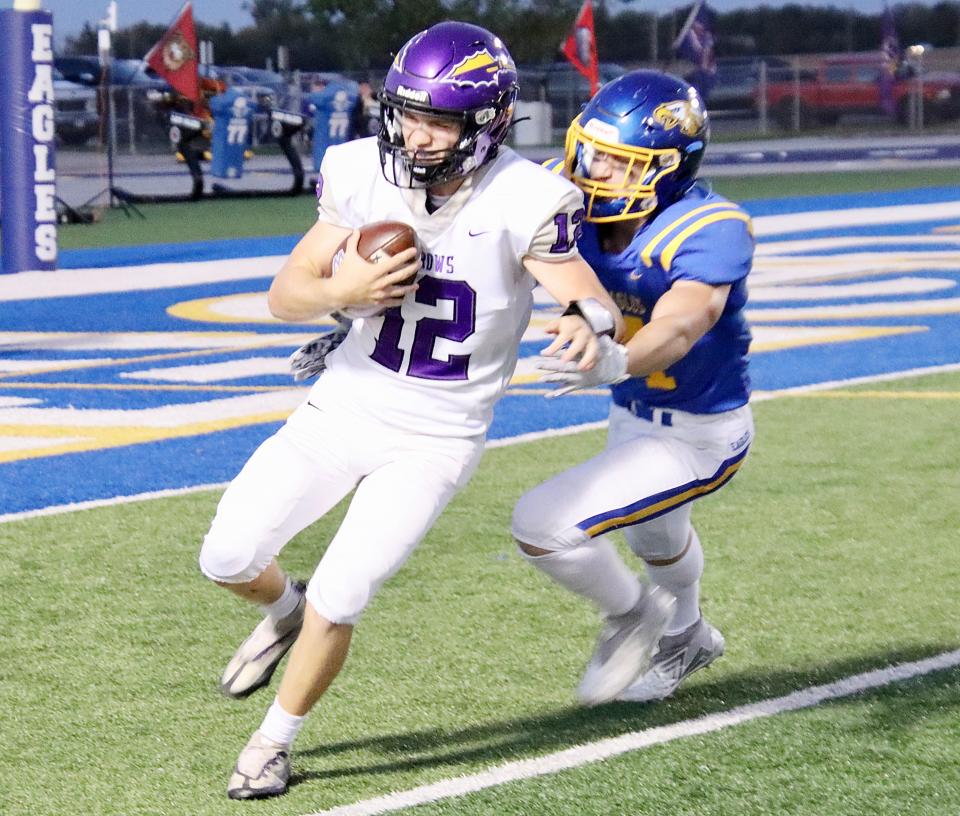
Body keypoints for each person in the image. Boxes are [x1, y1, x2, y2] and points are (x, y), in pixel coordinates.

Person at [199, 21, 634, 801]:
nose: (416, 134)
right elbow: (284, 295)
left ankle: (273, 741)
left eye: (439, 120)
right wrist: (342, 294)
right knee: (226, 559)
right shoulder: (359, 170)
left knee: (346, 589)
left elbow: (584, 293)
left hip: (438, 432)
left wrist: (586, 323)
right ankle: (283, 611)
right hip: (344, 404)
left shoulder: (527, 196)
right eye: (407, 113)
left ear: (488, 124)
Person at [512, 70, 755, 705]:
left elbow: (682, 324)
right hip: (633, 414)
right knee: (658, 539)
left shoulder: (711, 226)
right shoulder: (568, 192)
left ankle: (635, 619)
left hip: (702, 431)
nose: (591, 173)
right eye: (589, 153)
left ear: (666, 170)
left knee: (545, 526)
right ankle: (690, 635)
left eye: (617, 164)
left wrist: (618, 360)